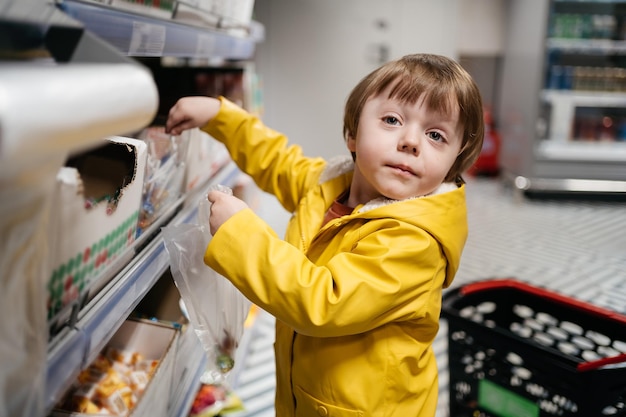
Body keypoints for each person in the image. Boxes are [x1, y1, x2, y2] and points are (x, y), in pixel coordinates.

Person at [166, 53, 484, 417]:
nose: (411, 141)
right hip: (309, 394)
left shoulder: (414, 242)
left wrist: (240, 233)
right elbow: (278, 161)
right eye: (392, 120)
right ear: (352, 133)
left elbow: (323, 301)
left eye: (435, 135)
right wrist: (222, 117)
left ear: (453, 162)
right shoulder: (330, 184)